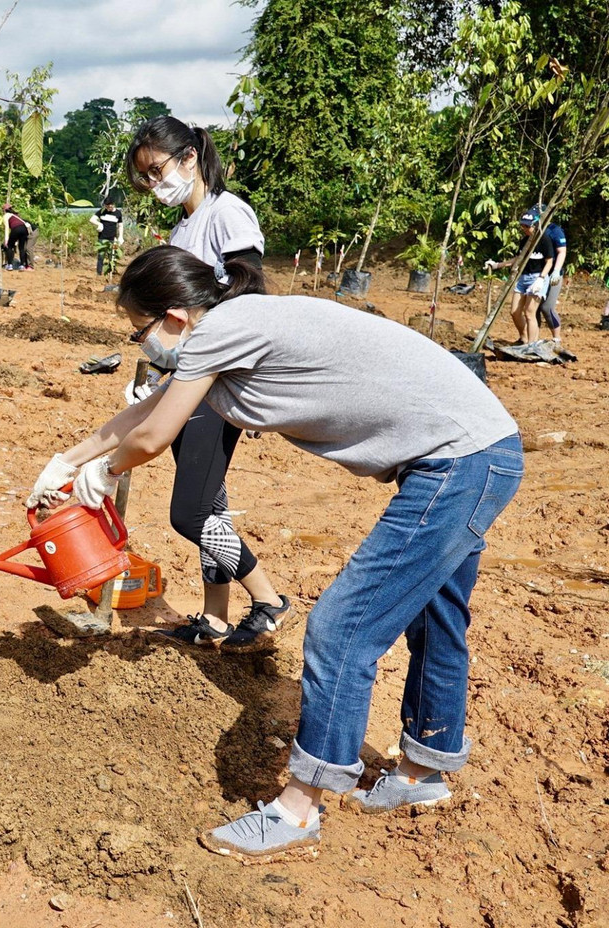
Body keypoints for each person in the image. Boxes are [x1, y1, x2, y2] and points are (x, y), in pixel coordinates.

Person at [29, 245, 521, 862]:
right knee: (436, 615)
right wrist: (66, 461)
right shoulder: (236, 327)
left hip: (459, 463)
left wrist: (101, 474)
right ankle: (423, 774)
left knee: (343, 629)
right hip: (477, 450)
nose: (143, 345)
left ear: (176, 317)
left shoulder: (223, 329)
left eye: (141, 331)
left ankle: (298, 810)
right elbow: (145, 411)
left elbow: (152, 438)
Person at [107, 114, 285, 651]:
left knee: (190, 512)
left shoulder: (226, 213)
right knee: (211, 504)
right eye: (143, 178)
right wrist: (161, 377)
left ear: (189, 157)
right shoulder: (185, 228)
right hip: (187, 377)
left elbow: (250, 292)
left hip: (214, 380)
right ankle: (215, 617)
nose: (152, 184)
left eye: (156, 170)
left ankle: (268, 599)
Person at [485, 206, 565, 344]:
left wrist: (542, 278)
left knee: (532, 312)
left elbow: (551, 260)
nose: (525, 229)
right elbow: (519, 258)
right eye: (523, 226)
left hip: (539, 277)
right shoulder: (525, 241)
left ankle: (534, 344)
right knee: (515, 312)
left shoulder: (547, 237)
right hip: (523, 278)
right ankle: (524, 337)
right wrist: (498, 265)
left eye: (527, 226)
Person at [89, 198, 123, 275]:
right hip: (102, 238)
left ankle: (111, 272)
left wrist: (120, 236)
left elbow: (120, 225)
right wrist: (99, 224)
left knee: (113, 256)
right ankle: (99, 273)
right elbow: (92, 219)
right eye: (106, 207)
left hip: (113, 239)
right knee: (101, 256)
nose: (108, 208)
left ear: (113, 205)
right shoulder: (102, 211)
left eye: (109, 207)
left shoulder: (118, 213)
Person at [2, 204, 32, 269]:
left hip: (16, 229)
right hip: (24, 229)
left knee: (9, 246)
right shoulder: (16, 215)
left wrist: (6, 240)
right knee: (21, 248)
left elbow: (7, 228)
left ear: (4, 210)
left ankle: (9, 265)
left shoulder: (5, 216)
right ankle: (22, 265)